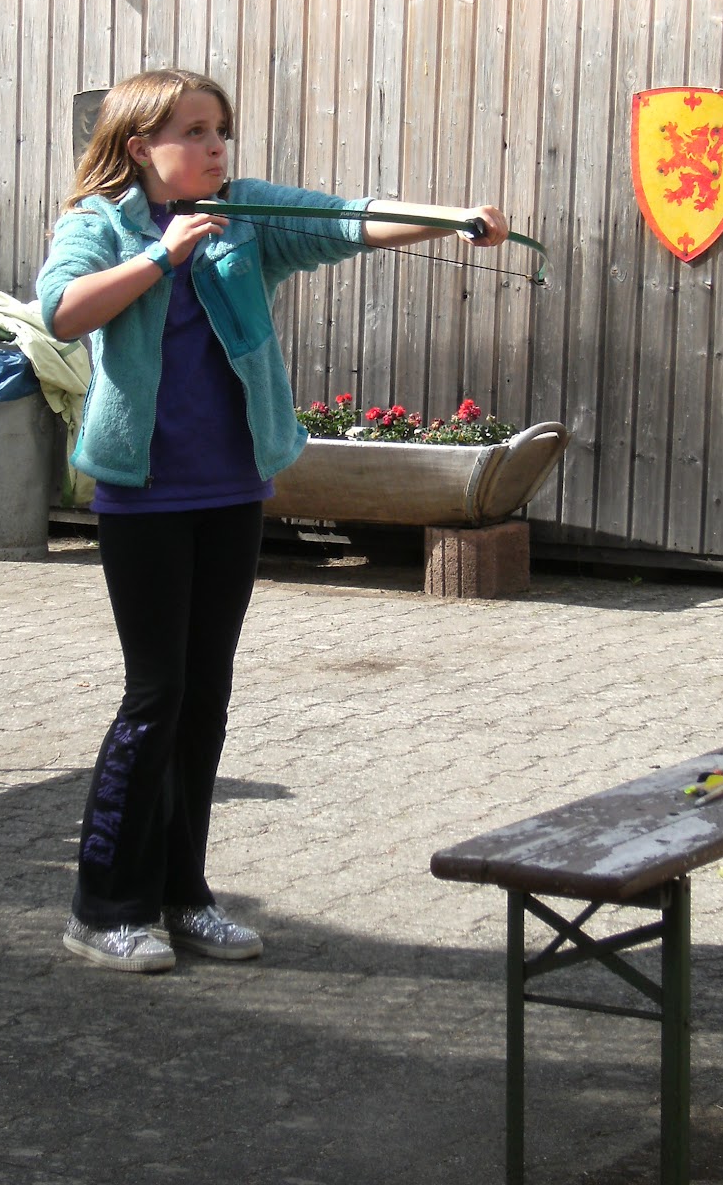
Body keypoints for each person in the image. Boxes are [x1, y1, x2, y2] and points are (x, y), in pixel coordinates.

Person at [36, 67, 509, 973]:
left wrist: (452, 219)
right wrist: (162, 257)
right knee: (156, 696)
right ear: (140, 146)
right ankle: (105, 908)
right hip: (144, 496)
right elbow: (59, 313)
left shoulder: (247, 214)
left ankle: (185, 897)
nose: (216, 146)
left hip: (233, 491)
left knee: (204, 698)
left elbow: (348, 220)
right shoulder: (100, 224)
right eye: (194, 131)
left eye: (220, 129)